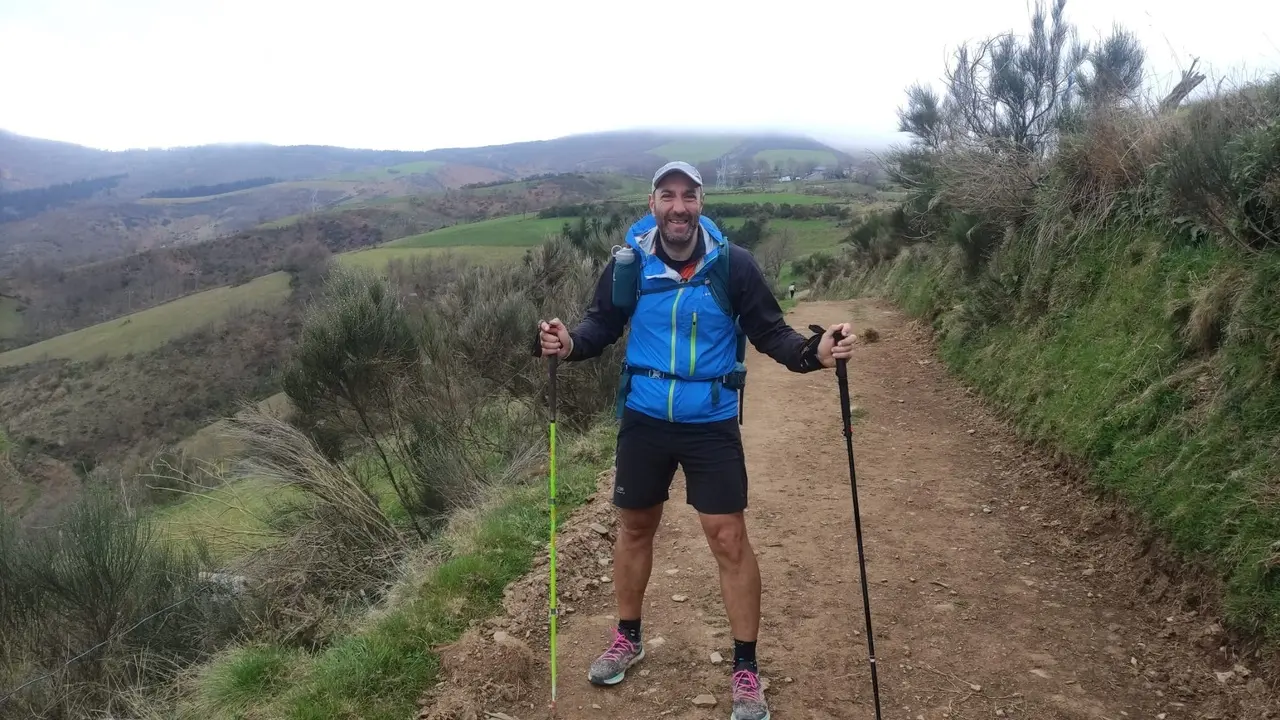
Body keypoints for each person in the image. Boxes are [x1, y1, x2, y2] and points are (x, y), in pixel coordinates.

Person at [536, 160, 855, 720]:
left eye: (688, 195)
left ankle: (746, 670)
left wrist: (814, 354)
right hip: (644, 418)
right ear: (652, 203)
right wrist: (570, 343)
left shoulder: (733, 264)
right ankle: (628, 637)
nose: (678, 207)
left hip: (710, 420)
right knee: (635, 527)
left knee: (728, 537)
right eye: (668, 195)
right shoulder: (629, 264)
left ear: (701, 202)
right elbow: (600, 325)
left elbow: (770, 331)